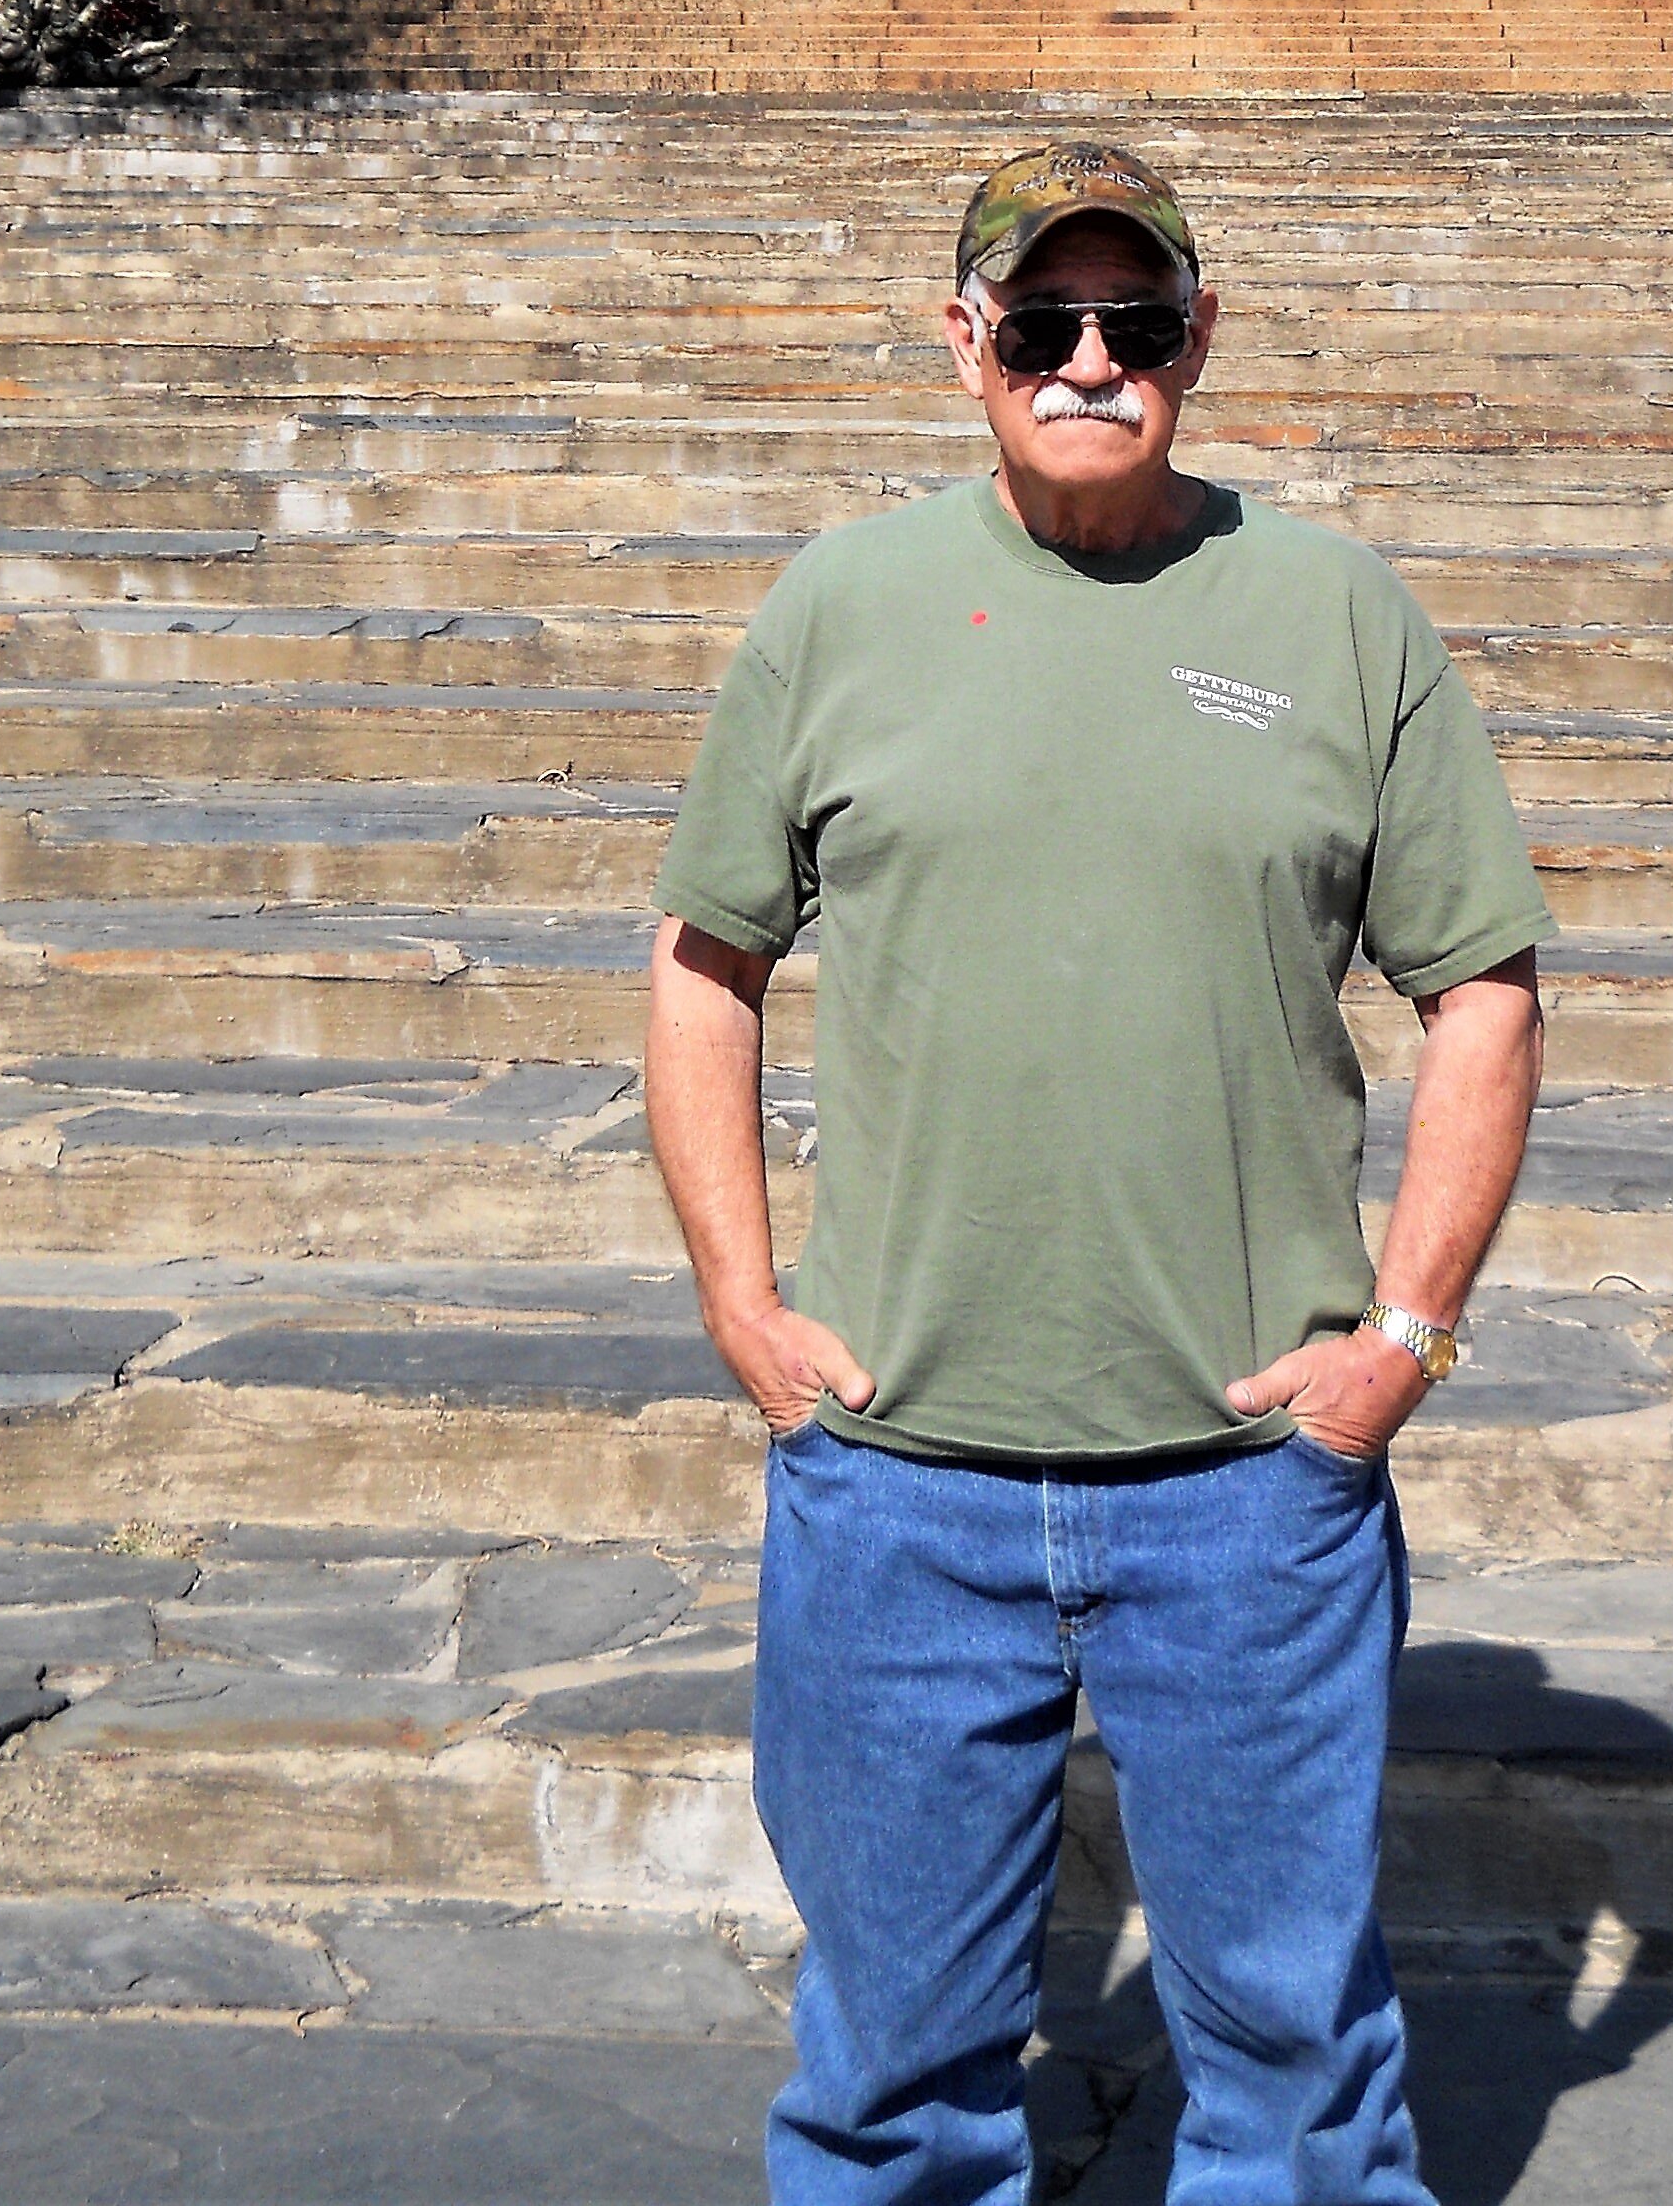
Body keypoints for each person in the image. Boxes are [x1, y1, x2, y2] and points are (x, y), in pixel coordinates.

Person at [646, 138, 1552, 2205]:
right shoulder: (841, 605)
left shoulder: (1333, 610)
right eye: (1039, 320)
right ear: (963, 337)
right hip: (897, 1476)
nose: (1085, 359)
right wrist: (742, 1304)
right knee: (888, 2082)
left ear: (1195, 340)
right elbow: (705, 964)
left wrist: (1399, 1339)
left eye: (1131, 324)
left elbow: (1482, 993)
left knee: (1305, 2085)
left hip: (1251, 1494)